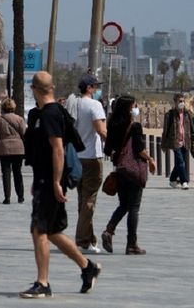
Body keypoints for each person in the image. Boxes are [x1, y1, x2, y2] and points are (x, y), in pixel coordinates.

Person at [20, 71, 100, 299]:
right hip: (45, 180)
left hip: (50, 181)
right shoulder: (51, 113)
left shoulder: (50, 114)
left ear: (34, 89)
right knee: (53, 232)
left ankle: (43, 283)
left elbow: (57, 149)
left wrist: (55, 182)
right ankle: (87, 267)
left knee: (39, 230)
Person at [101, 96, 156, 255]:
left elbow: (107, 150)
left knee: (124, 204)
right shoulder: (135, 126)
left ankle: (109, 231)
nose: (136, 108)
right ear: (128, 108)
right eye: (134, 105)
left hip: (120, 170)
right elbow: (139, 149)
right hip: (134, 171)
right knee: (133, 207)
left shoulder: (112, 124)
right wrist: (151, 159)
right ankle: (131, 244)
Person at [74, 74, 108, 254]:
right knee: (89, 200)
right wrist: (114, 148)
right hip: (92, 157)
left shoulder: (73, 104)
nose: (96, 90)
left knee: (82, 198)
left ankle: (89, 240)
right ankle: (81, 240)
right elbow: (101, 130)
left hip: (77, 157)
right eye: (95, 87)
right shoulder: (94, 105)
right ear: (89, 88)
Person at [0, 98, 26, 204]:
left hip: (4, 148)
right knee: (17, 172)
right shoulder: (19, 119)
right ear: (14, 107)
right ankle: (20, 196)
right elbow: (24, 133)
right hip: (18, 148)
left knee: (6, 172)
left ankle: (7, 197)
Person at [161, 93, 194, 189]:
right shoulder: (170, 114)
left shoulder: (187, 114)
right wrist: (164, 144)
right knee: (181, 162)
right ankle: (184, 181)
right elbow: (165, 130)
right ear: (175, 102)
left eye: (183, 101)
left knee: (179, 163)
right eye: (180, 101)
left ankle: (172, 180)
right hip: (175, 142)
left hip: (185, 142)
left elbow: (192, 130)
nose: (182, 103)